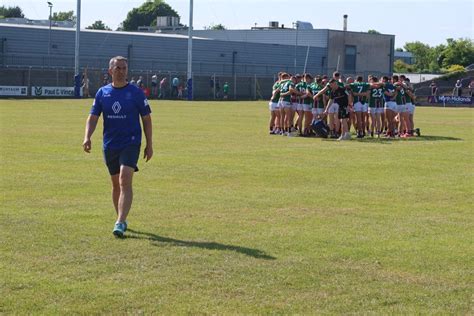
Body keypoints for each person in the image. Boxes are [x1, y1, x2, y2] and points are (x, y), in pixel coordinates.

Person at [83, 56, 153, 238]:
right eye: (118, 68)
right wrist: (87, 137)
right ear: (110, 71)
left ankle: (120, 221)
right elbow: (93, 117)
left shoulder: (136, 93)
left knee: (124, 179)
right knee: (116, 184)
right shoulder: (102, 93)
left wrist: (149, 144)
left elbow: (146, 119)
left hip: (130, 142)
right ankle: (121, 217)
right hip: (110, 144)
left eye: (124, 68)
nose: (121, 71)